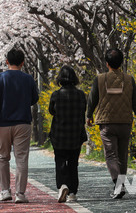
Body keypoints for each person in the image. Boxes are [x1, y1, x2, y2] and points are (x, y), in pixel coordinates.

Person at [87, 47, 136, 199]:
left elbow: (92, 99)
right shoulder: (129, 79)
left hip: (107, 123)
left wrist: (88, 116)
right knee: (122, 155)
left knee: (111, 155)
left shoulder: (100, 79)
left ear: (107, 63)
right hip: (125, 122)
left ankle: (118, 185)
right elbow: (135, 102)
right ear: (121, 63)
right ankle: (120, 185)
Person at [0, 49, 39, 203]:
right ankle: (20, 194)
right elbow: (34, 98)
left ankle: (5, 191)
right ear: (23, 62)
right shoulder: (28, 79)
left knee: (3, 157)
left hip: (3, 124)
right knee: (21, 158)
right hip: (23, 122)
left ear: (6, 61)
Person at [48, 65, 87, 203]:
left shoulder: (56, 95)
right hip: (76, 134)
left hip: (59, 134)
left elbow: (51, 111)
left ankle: (62, 185)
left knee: (60, 162)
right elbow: (83, 110)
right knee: (73, 163)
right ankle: (72, 193)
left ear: (60, 79)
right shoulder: (81, 95)